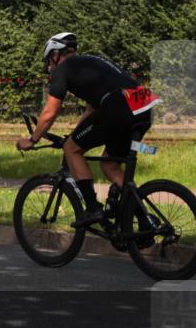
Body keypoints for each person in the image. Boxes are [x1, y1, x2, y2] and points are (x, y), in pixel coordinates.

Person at [15, 32, 160, 228]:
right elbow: (92, 110)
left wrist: (33, 139)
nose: (49, 67)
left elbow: (50, 112)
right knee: (110, 165)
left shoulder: (63, 69)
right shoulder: (91, 62)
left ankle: (93, 208)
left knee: (71, 149)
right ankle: (145, 220)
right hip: (144, 104)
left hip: (119, 106)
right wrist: (73, 135)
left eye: (49, 61)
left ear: (56, 55)